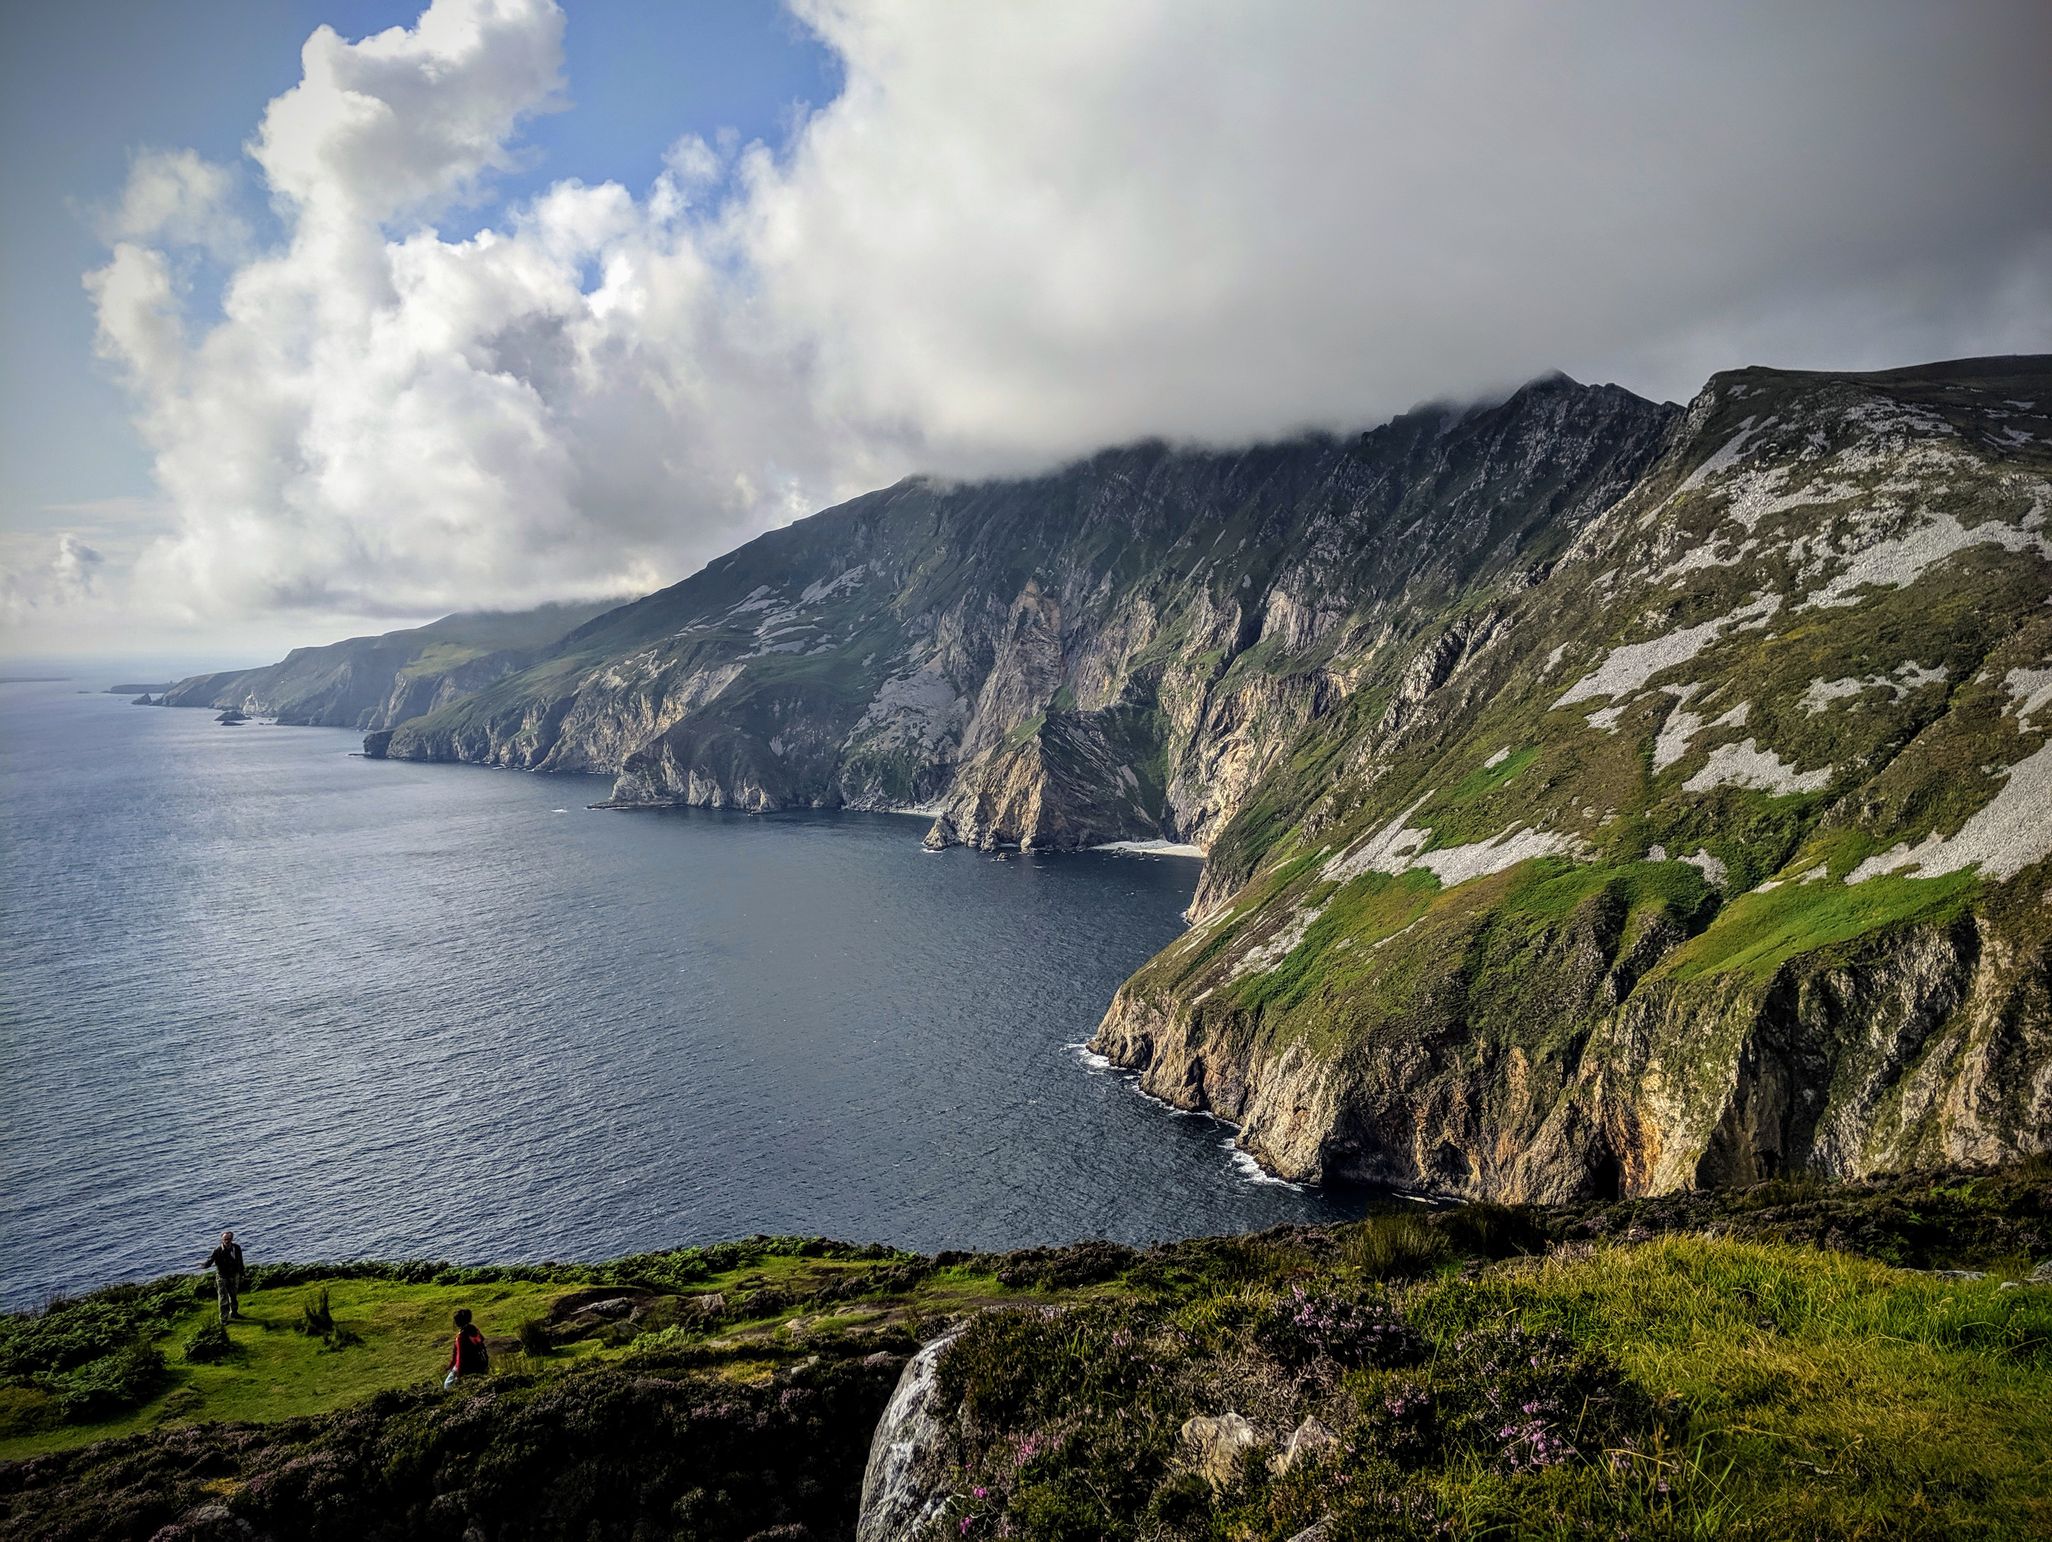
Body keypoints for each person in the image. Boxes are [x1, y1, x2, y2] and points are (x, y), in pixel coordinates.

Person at [202, 1230, 245, 1323]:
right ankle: (223, 1318)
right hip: (222, 1277)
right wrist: (204, 1265)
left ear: (232, 1239)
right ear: (222, 1240)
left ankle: (234, 1313)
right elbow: (210, 1260)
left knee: (233, 1296)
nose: (227, 1241)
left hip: (234, 1275)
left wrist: (242, 1272)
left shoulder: (237, 1248)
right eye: (225, 1239)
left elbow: (240, 1261)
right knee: (223, 1298)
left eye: (229, 1239)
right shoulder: (217, 1251)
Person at [444, 1308, 489, 1388]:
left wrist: (458, 1373)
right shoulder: (474, 1329)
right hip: (480, 1363)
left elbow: (460, 1356)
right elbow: (482, 1341)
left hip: (467, 1366)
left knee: (447, 1385)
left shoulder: (461, 1337)